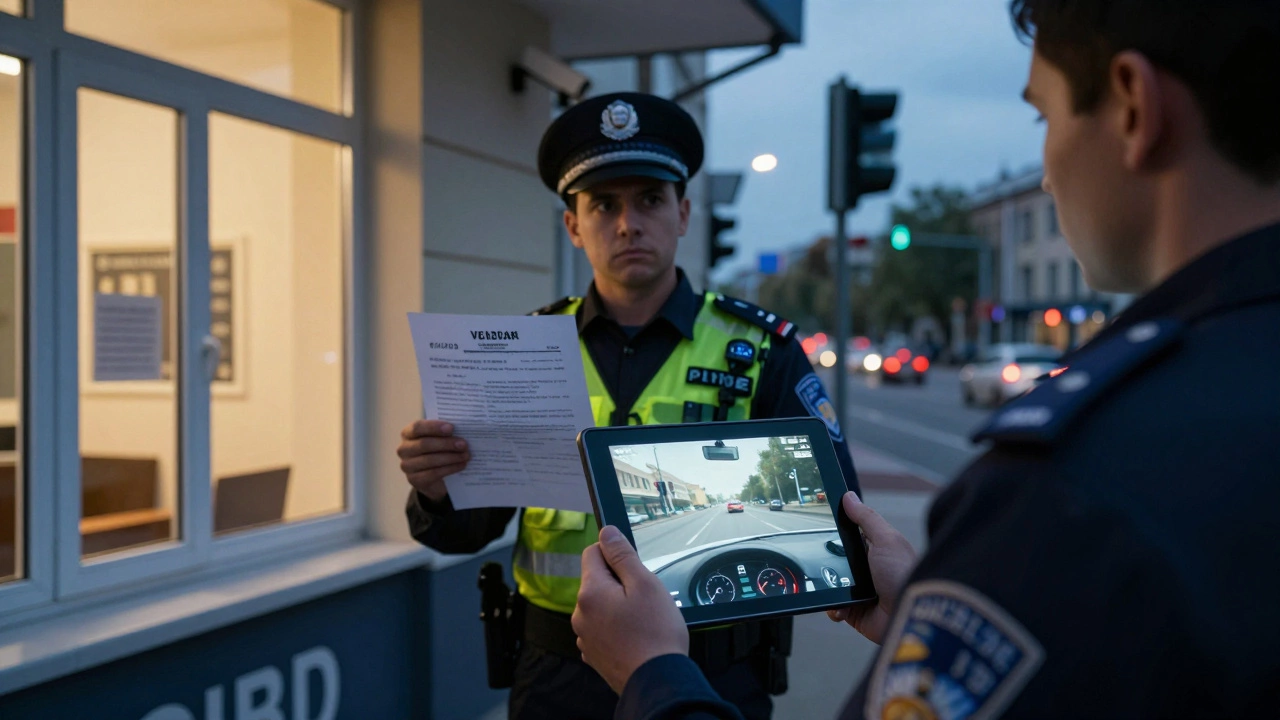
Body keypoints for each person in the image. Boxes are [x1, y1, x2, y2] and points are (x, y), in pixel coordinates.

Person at [569, 1, 1280, 718]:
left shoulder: (1077, 484)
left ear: (1132, 107)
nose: (1044, 175)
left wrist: (654, 674)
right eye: (603, 205)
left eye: (1045, 118)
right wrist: (916, 609)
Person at [397, 92, 864, 720]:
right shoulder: (522, 350)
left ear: (683, 213)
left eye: (649, 199)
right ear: (573, 226)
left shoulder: (762, 351)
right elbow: (462, 533)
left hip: (710, 677)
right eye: (603, 205)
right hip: (555, 678)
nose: (627, 224)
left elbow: (840, 521)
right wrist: (435, 489)